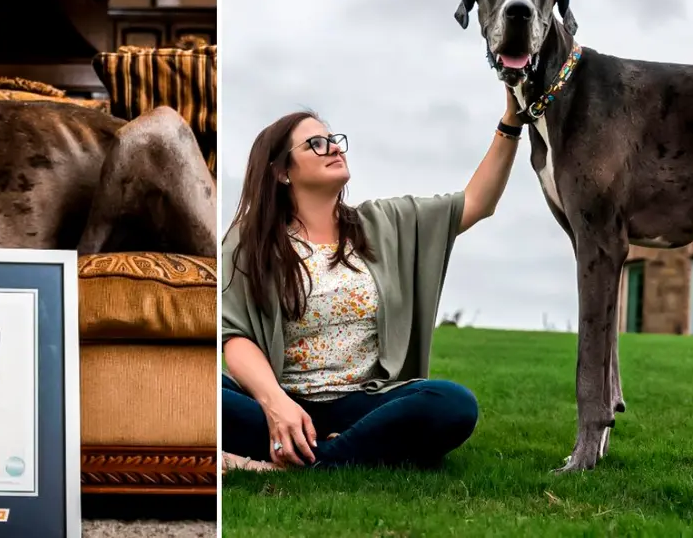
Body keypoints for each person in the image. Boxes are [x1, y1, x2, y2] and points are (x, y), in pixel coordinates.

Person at [221, 87, 523, 472]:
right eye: (316, 144)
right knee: (194, 388)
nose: (334, 148)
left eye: (333, 140)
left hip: (364, 405)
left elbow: (477, 202)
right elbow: (235, 337)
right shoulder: (249, 241)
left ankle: (305, 461)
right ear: (281, 172)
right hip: (281, 402)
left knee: (453, 404)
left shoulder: (383, 223)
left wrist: (511, 122)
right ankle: (336, 450)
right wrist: (276, 405)